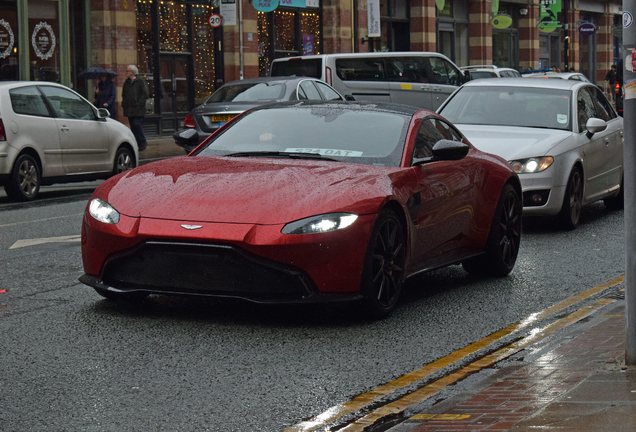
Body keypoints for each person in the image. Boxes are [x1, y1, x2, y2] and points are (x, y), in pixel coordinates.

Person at [121, 65, 149, 151]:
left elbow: (145, 93)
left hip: (138, 109)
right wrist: (124, 103)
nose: (126, 73)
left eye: (127, 71)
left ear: (132, 72)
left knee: (137, 125)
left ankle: (142, 142)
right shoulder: (126, 83)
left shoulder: (139, 81)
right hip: (129, 109)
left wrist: (139, 103)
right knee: (133, 126)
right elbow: (124, 94)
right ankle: (136, 143)